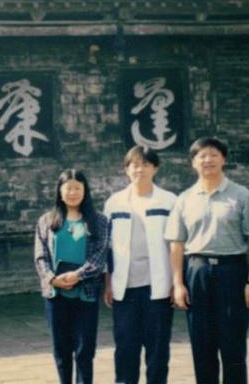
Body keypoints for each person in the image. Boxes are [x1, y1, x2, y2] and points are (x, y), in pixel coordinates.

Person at [164, 137, 249, 384]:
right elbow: (176, 244)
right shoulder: (184, 199)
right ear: (193, 163)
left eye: (213, 155)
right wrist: (178, 284)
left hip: (233, 272)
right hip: (197, 272)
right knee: (202, 344)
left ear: (224, 159)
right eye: (201, 156)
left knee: (233, 345)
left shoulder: (242, 196)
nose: (207, 160)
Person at [103, 145, 177, 384]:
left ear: (155, 168)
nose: (140, 170)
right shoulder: (114, 203)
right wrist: (108, 284)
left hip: (158, 287)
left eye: (146, 164)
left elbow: (177, 246)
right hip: (124, 288)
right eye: (134, 165)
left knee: (157, 348)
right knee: (125, 346)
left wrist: (177, 283)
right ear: (126, 169)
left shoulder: (169, 201)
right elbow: (107, 248)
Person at [34, 168, 108, 384]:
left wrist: (78, 275)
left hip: (86, 292)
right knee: (61, 349)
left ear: (85, 191)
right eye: (68, 188)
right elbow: (40, 255)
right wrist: (51, 278)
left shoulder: (99, 221)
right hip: (56, 294)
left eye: (77, 188)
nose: (73, 193)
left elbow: (100, 254)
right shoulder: (47, 220)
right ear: (60, 191)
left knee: (85, 349)